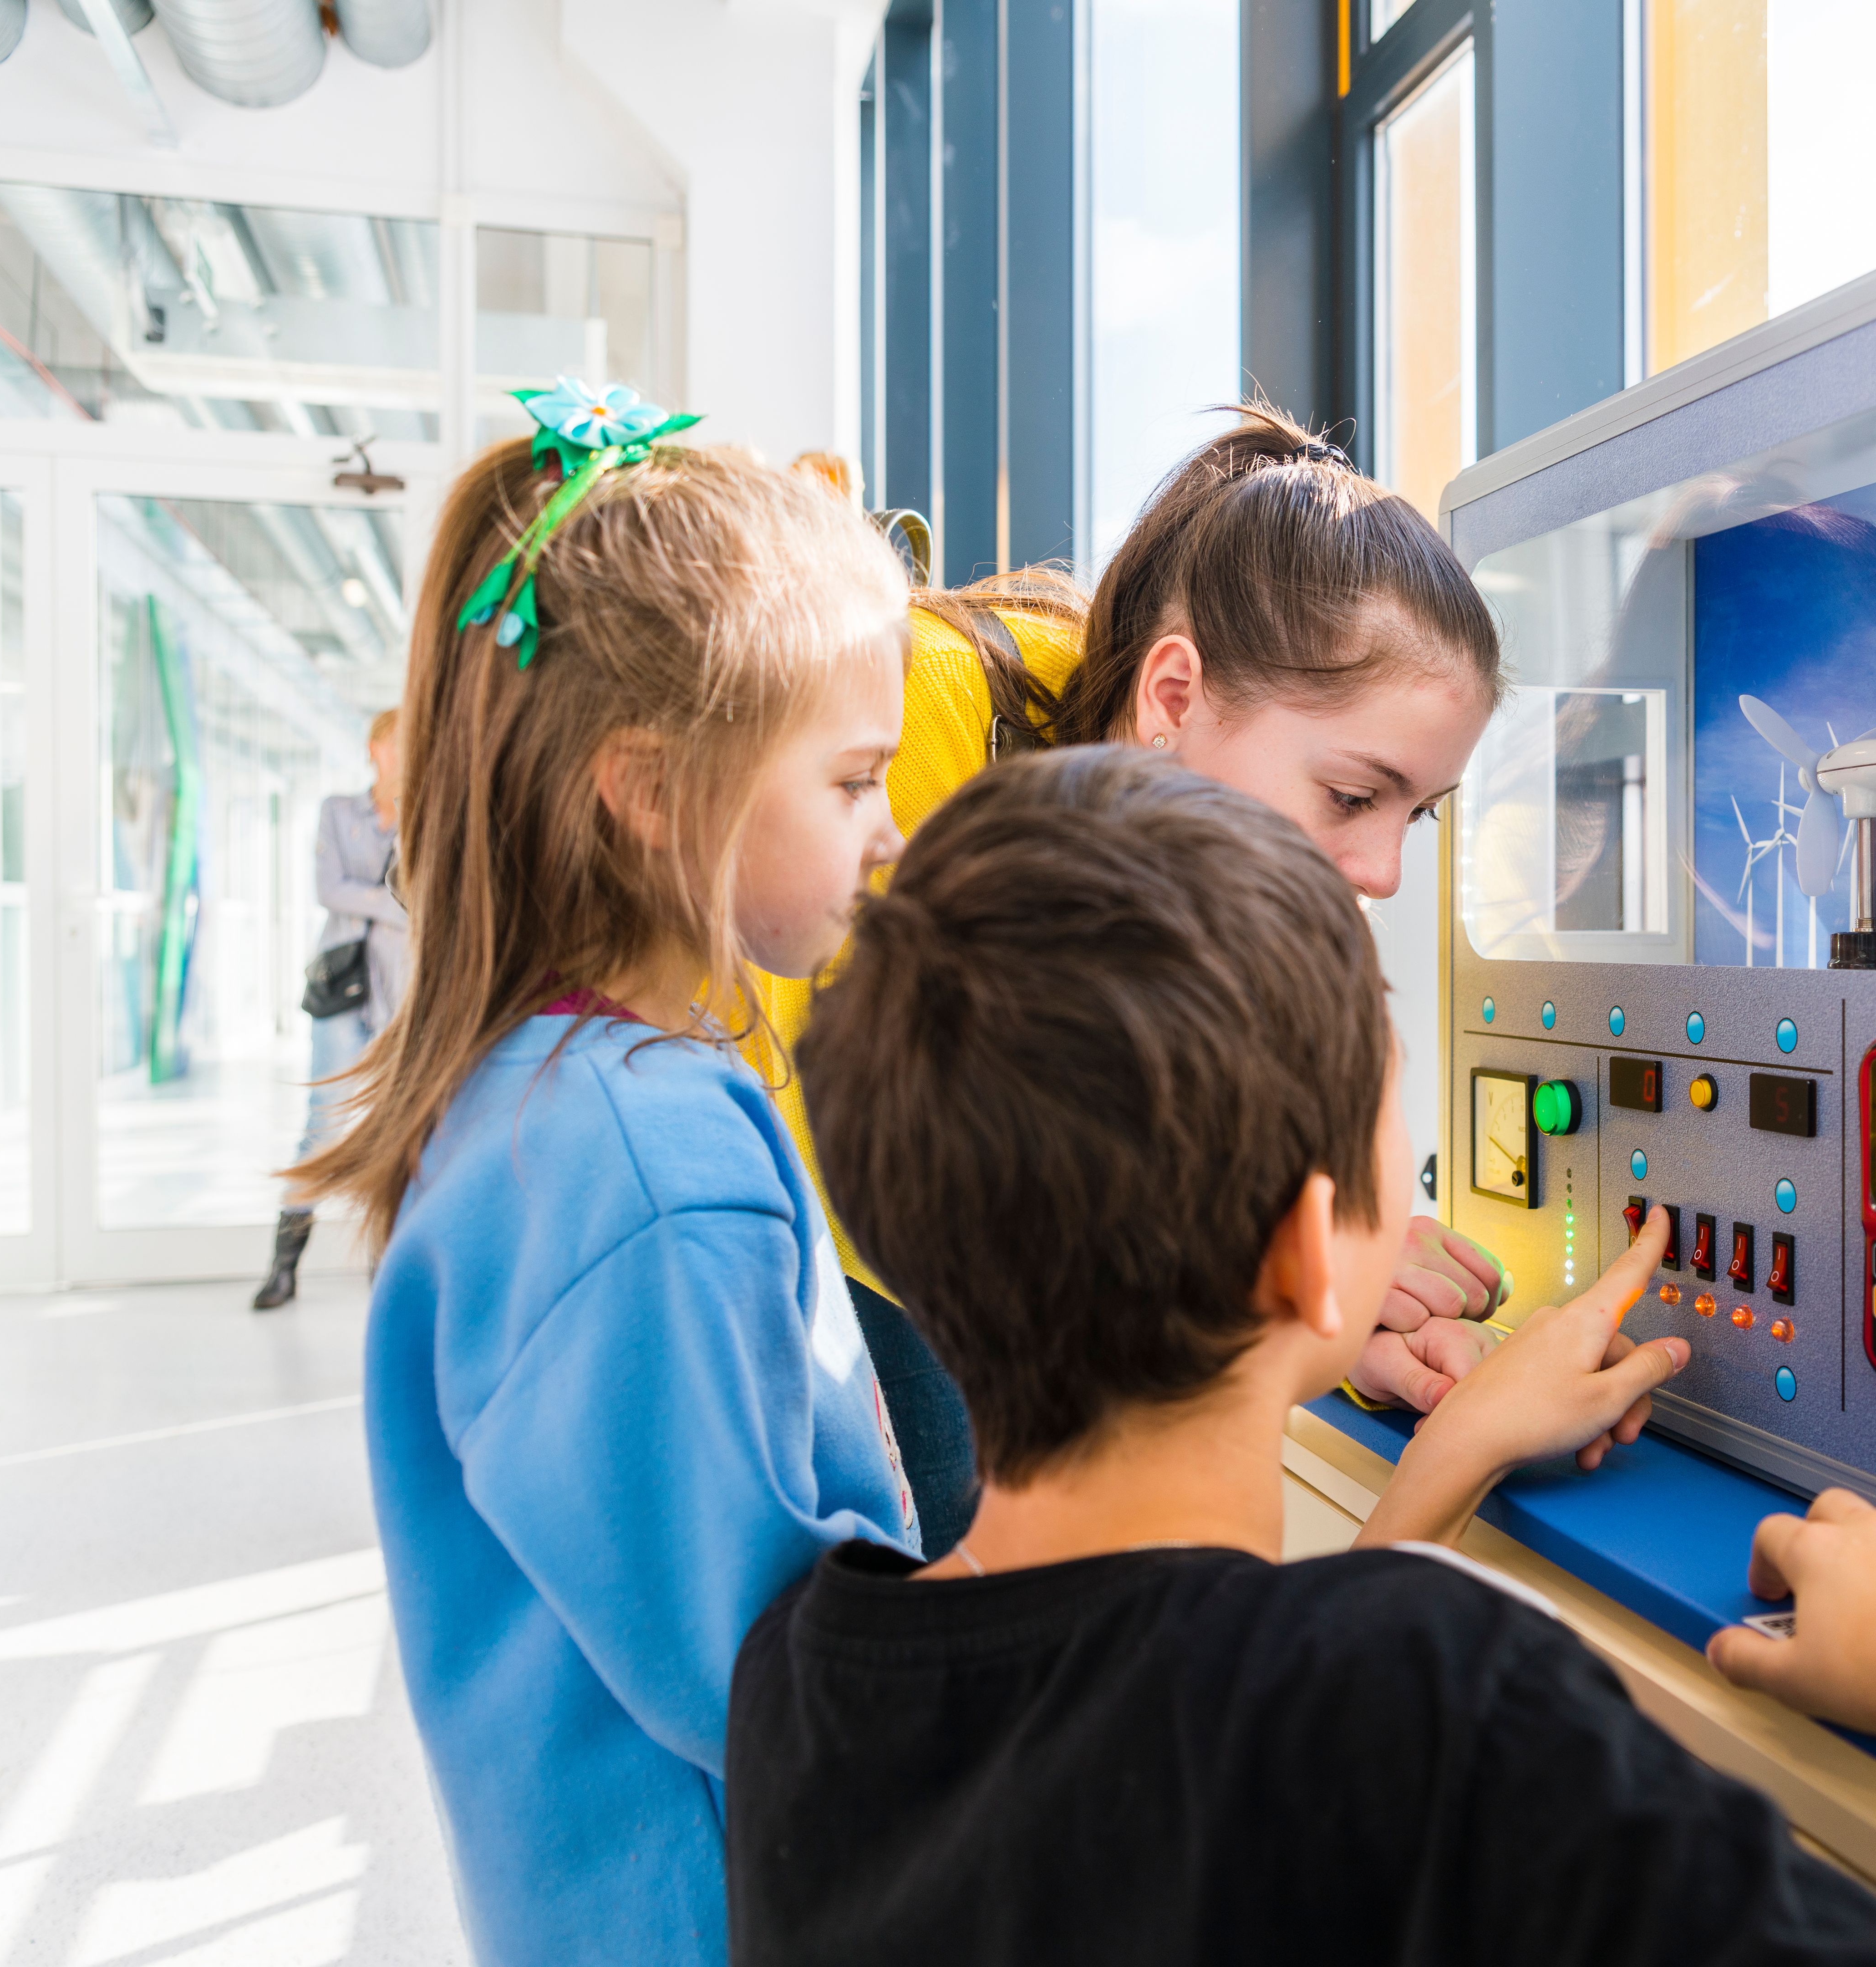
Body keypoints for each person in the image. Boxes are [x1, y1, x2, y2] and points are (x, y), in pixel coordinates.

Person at [730, 747, 1876, 1967]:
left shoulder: (806, 1677)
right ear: (1306, 1251)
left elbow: (1182, 1734)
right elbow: (1318, 1717)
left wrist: (1455, 1449)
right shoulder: (1435, 1707)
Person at [286, 388, 921, 1967]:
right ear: (650, 791)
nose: (890, 832)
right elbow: (788, 1698)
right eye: (852, 781)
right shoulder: (639, 1167)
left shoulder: (559, 1102)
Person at [749, 406, 1516, 1552]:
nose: (1380, 872)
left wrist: (1326, 1300)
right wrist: (1281, 1297)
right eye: (1353, 797)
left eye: (1417, 814)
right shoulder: (916, 722)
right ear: (1170, 697)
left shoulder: (1224, 852)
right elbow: (898, 1171)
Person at [252, 706, 408, 1310]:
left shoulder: (425, 812)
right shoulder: (339, 812)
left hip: (402, 990)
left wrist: (374, 899)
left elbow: (422, 892)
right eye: (393, 744)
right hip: (343, 990)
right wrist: (392, 905)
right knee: (324, 1123)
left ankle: (385, 1269)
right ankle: (284, 1265)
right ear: (374, 749)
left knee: (397, 1131)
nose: (402, 754)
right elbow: (330, 889)